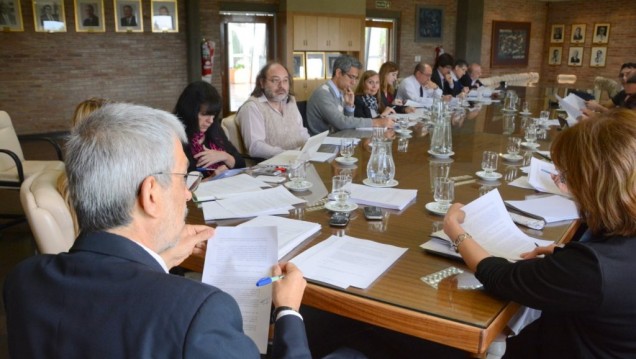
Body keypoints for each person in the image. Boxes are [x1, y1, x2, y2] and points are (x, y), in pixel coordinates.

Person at [3, 103, 316, 358]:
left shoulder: (23, 279)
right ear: (150, 194)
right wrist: (288, 312)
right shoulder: (200, 313)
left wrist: (160, 260)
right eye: (183, 177)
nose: (188, 193)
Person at [443, 109, 636, 358]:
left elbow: (501, 277)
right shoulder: (606, 257)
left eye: (566, 177)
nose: (565, 185)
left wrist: (455, 230)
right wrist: (566, 256)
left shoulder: (591, 270)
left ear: (595, 184)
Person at [235, 62, 309, 159]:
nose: (281, 86)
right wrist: (287, 154)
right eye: (275, 80)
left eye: (285, 80)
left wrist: (310, 146)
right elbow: (255, 147)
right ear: (262, 83)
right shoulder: (251, 107)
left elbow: (301, 131)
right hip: (272, 166)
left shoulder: (290, 101)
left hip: (299, 160)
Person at [306, 55, 392, 135]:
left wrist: (349, 107)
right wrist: (377, 122)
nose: (354, 82)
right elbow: (341, 123)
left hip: (337, 139)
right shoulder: (323, 93)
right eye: (351, 77)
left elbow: (347, 126)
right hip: (323, 144)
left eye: (355, 78)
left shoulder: (340, 92)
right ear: (339, 73)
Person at [174, 81, 245, 177]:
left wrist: (224, 156)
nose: (210, 120)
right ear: (189, 112)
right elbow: (179, 182)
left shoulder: (214, 128)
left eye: (213, 115)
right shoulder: (175, 137)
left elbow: (241, 163)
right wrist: (212, 178)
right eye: (205, 114)